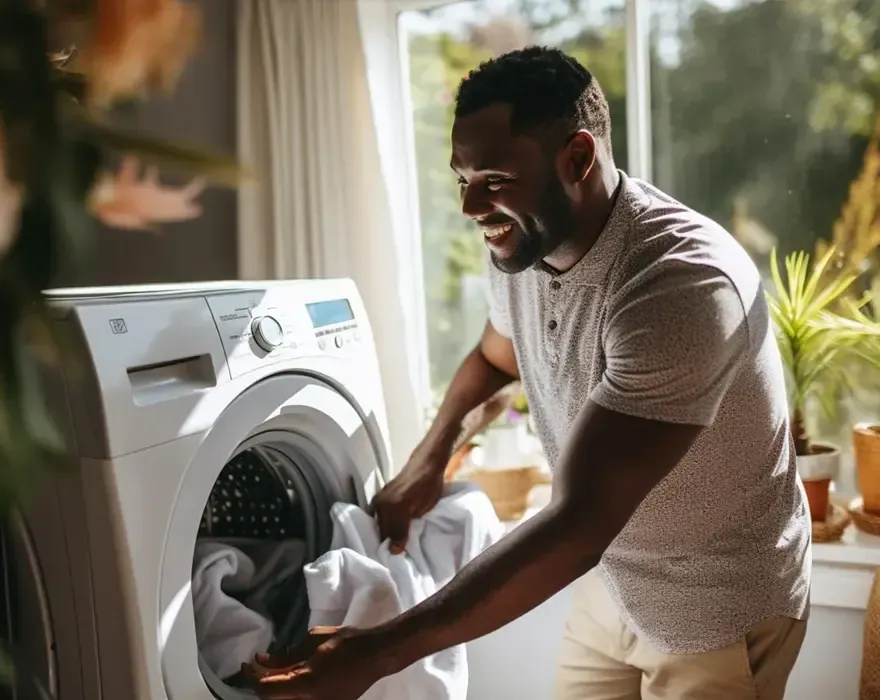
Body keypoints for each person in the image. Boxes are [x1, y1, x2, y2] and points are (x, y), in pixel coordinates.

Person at [245, 45, 811, 700]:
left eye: (493, 178)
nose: (471, 206)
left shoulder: (679, 287)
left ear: (577, 158)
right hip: (615, 584)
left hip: (716, 607)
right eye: (462, 178)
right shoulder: (522, 244)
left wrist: (376, 652)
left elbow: (578, 525)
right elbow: (495, 359)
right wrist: (432, 456)